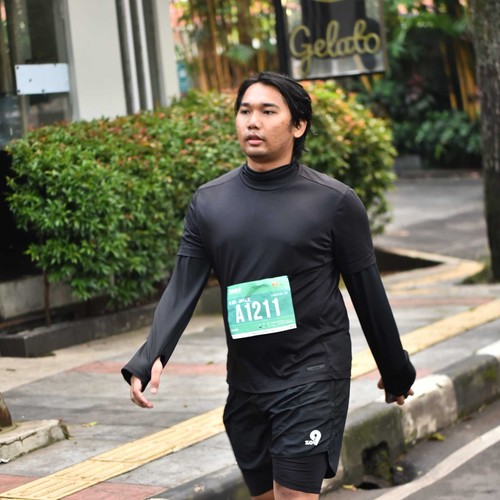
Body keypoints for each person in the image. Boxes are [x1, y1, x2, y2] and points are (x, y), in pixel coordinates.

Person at [122, 71, 415, 499]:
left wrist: (396, 370)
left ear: (298, 125)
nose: (252, 121)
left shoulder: (333, 202)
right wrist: (150, 356)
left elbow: (368, 292)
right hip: (246, 382)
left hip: (312, 374)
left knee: (293, 494)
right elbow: (182, 286)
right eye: (244, 111)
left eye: (267, 111)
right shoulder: (210, 201)